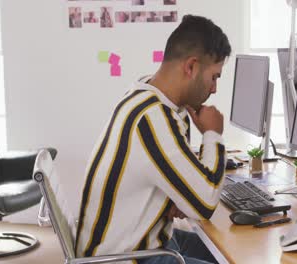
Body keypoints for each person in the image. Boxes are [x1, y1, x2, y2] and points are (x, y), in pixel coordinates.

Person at [75, 14, 232, 264]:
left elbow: (183, 183)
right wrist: (213, 134)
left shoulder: (146, 98)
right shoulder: (152, 118)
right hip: (124, 258)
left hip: (146, 239)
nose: (214, 89)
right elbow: (204, 205)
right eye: (214, 76)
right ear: (191, 67)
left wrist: (175, 196)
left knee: (227, 252)